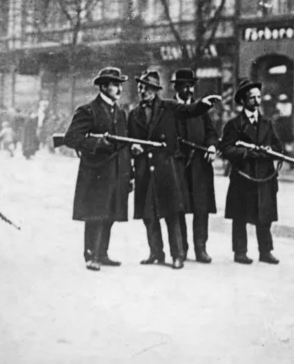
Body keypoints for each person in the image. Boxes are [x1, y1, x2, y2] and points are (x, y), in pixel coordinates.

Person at [128, 70, 220, 269]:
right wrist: (133, 149)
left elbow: (190, 110)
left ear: (155, 90)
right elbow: (129, 140)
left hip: (166, 166)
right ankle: (155, 253)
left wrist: (204, 103)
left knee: (172, 212)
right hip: (145, 168)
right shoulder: (133, 114)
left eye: (146, 88)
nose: (142, 91)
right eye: (140, 88)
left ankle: (178, 254)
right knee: (148, 214)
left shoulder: (168, 107)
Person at [63, 67, 132, 271]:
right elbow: (71, 138)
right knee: (95, 214)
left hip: (116, 172)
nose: (119, 88)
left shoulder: (120, 113)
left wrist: (130, 174)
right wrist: (97, 143)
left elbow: (123, 145)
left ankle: (102, 253)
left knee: (110, 213)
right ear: (103, 86)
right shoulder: (88, 110)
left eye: (120, 84)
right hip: (95, 172)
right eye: (115, 84)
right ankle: (90, 254)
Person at [219, 79, 283, 265]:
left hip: (264, 176)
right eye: (251, 97)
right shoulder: (234, 124)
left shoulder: (267, 124)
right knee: (240, 215)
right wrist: (247, 153)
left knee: (264, 215)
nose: (256, 101)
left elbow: (278, 147)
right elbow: (226, 149)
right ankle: (240, 252)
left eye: (258, 97)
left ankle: (265, 251)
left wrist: (270, 150)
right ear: (243, 100)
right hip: (243, 176)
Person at [171, 69, 219, 264]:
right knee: (179, 207)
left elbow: (211, 133)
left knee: (201, 208)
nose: (189, 89)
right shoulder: (170, 108)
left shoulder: (201, 109)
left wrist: (212, 146)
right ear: (176, 87)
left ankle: (201, 248)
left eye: (191, 85)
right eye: (184, 86)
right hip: (178, 164)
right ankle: (181, 251)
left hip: (200, 165)